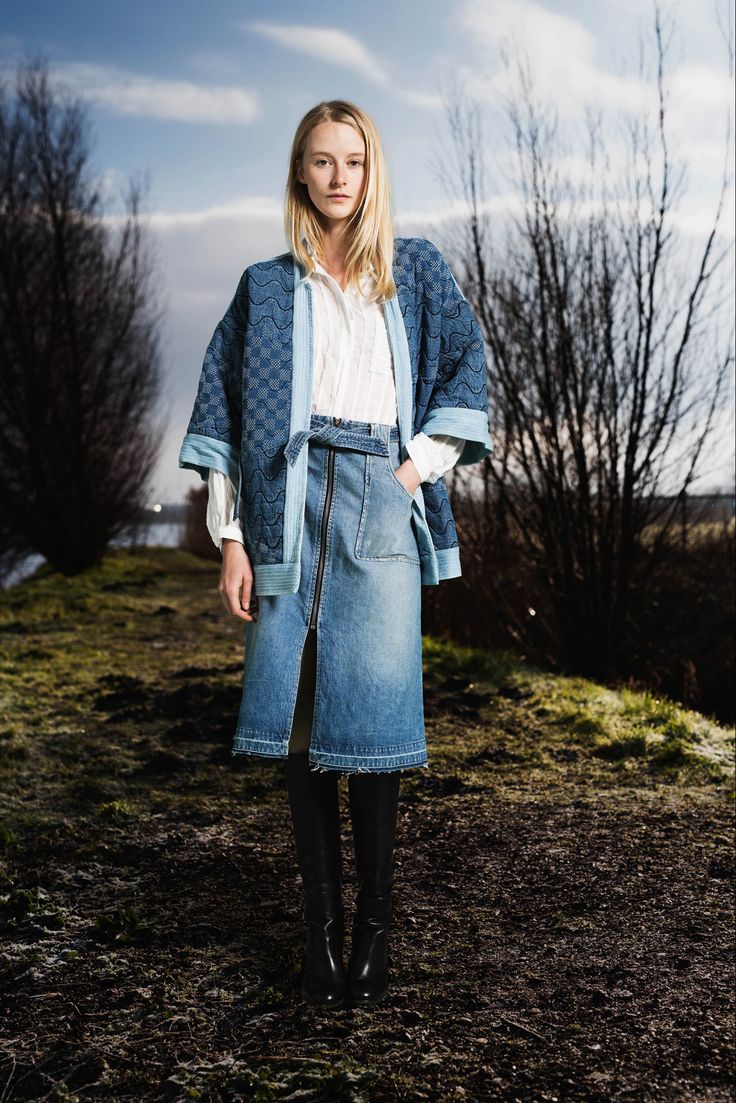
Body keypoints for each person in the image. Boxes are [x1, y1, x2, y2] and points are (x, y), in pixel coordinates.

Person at [178, 99, 492, 1010]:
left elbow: (466, 365)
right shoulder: (265, 287)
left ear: (372, 169)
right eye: (321, 162)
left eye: (352, 160)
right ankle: (317, 934)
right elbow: (224, 415)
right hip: (288, 505)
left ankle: (375, 931)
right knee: (306, 728)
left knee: (377, 716)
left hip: (378, 501)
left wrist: (413, 469)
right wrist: (232, 536)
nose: (339, 177)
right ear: (300, 175)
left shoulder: (416, 271)